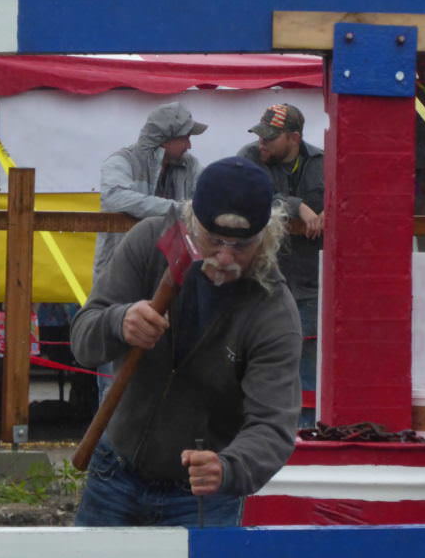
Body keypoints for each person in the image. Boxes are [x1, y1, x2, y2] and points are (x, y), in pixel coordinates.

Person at [71, 156, 302, 527]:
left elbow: (273, 425)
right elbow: (83, 341)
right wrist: (118, 322)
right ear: (192, 221)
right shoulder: (150, 243)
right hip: (114, 473)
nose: (224, 257)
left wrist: (229, 467)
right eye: (214, 240)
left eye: (241, 246)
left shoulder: (271, 310)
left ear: (266, 237)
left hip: (202, 495)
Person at [92, 101, 208, 402]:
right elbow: (115, 197)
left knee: (168, 376)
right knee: (113, 377)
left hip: (172, 283)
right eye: (185, 137)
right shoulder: (122, 161)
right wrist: (178, 210)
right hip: (120, 281)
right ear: (166, 139)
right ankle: (108, 434)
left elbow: (205, 202)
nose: (189, 144)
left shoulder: (191, 166)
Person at [238, 103, 324, 428]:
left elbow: (349, 195)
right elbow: (252, 195)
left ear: (294, 138)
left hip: (309, 283)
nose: (261, 142)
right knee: (261, 362)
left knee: (307, 369)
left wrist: (333, 209)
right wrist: (298, 206)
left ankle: (305, 434)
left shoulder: (324, 163)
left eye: (270, 138)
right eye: (260, 135)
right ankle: (261, 432)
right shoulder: (248, 158)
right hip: (262, 283)